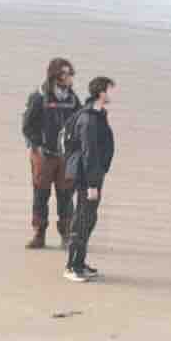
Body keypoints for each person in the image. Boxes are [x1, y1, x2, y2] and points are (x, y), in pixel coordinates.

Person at [56, 75, 118, 277]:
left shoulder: (97, 114)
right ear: (101, 93)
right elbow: (88, 152)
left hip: (94, 175)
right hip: (86, 177)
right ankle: (72, 266)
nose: (112, 93)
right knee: (82, 219)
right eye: (110, 89)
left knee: (89, 218)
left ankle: (80, 263)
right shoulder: (88, 119)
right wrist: (92, 184)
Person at [22, 58, 83, 251]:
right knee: (41, 195)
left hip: (65, 156)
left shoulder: (73, 99)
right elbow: (27, 126)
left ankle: (66, 235)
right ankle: (39, 235)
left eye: (71, 73)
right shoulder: (39, 97)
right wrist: (37, 146)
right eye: (67, 74)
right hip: (43, 156)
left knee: (66, 196)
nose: (71, 77)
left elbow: (80, 123)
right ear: (56, 76)